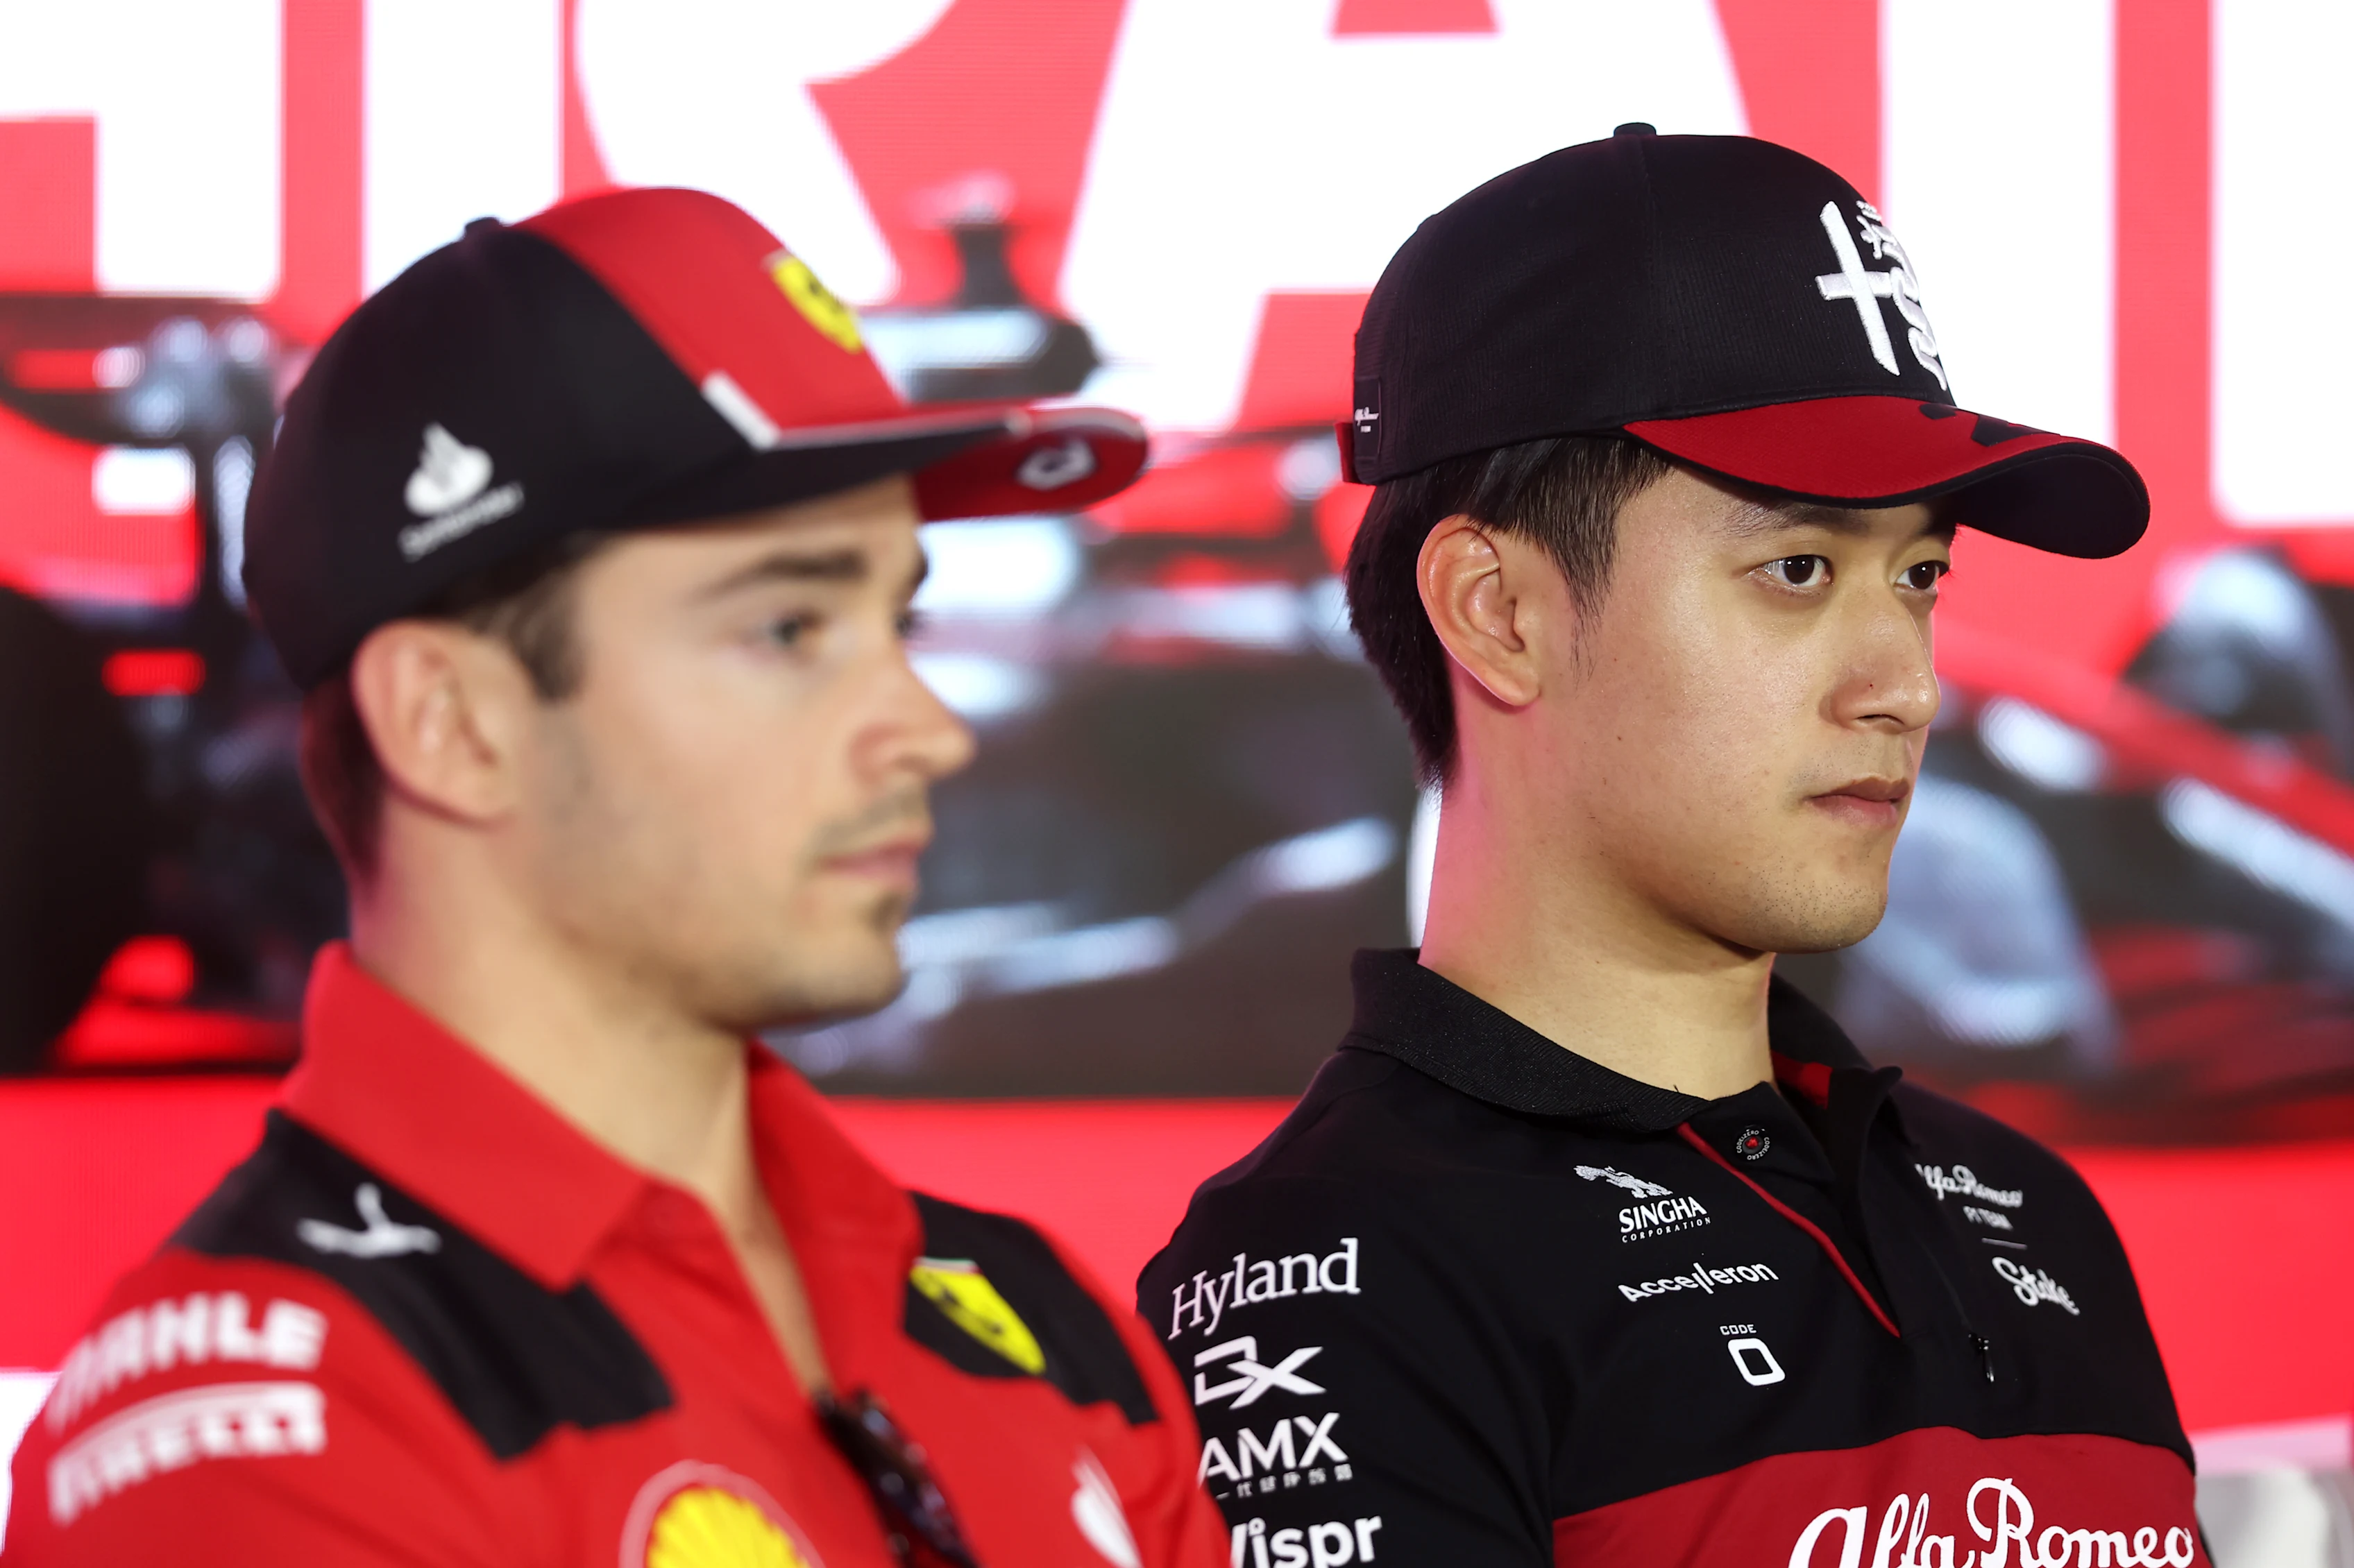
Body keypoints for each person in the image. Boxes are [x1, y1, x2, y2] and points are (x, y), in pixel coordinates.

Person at [5, 186, 1226, 1568]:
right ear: (453, 724)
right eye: (786, 625)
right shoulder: (258, 1436)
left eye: (901, 618)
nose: (926, 725)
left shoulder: (1049, 1325)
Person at [1142, 127, 2203, 1568]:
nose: (1905, 679)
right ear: (1498, 611)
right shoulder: (1330, 1273)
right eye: (1797, 569)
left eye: (1921, 574)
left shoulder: (2029, 1209)